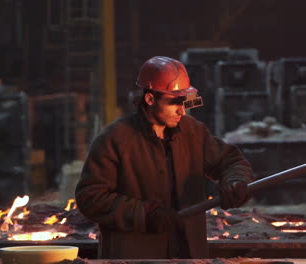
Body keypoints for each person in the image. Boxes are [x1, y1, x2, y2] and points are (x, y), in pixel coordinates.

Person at [75, 56, 254, 259]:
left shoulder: (192, 132)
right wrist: (144, 213)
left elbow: (229, 161)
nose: (182, 110)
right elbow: (90, 197)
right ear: (150, 99)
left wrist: (235, 181)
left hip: (188, 254)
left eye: (184, 101)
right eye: (174, 102)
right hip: (136, 257)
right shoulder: (115, 139)